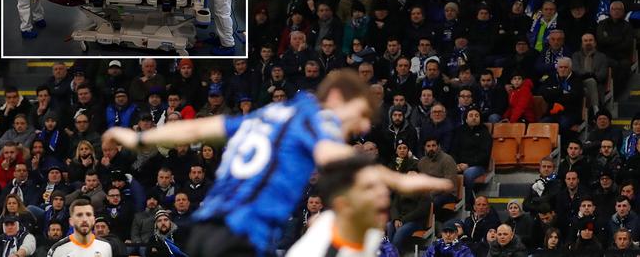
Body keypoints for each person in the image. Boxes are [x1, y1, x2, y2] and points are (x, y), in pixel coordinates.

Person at [103, 70, 452, 257]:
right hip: (239, 236)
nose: (362, 126)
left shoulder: (268, 115)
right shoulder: (318, 118)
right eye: (360, 113)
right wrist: (401, 181)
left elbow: (201, 127)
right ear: (335, 98)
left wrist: (139, 139)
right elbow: (335, 158)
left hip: (205, 230)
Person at [287, 155, 399, 256]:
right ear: (344, 205)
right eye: (369, 188)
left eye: (382, 185)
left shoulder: (370, 235)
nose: (383, 193)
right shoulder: (318, 251)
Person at [47, 198, 112, 256]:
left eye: (88, 215)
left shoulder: (106, 246)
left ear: (93, 220)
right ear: (71, 221)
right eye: (79, 215)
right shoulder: (58, 249)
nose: (84, 219)